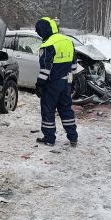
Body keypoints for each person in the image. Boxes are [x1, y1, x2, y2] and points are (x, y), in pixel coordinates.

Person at [34, 17, 78, 146]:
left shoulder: (47, 45)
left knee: (48, 110)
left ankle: (49, 138)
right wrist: (71, 80)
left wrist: (39, 84)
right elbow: (74, 66)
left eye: (39, 31)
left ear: (44, 30)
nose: (38, 34)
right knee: (66, 109)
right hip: (66, 83)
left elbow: (45, 69)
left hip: (51, 84)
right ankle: (73, 137)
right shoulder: (68, 41)